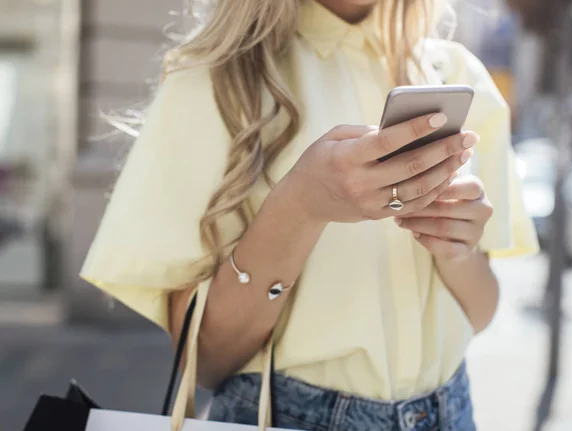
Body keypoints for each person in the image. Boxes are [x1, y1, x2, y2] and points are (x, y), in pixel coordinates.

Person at [81, 0, 539, 430]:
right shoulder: (214, 79)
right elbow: (205, 359)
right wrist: (300, 206)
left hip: (451, 411)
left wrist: (454, 246)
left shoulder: (458, 75)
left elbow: (480, 314)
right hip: (286, 415)